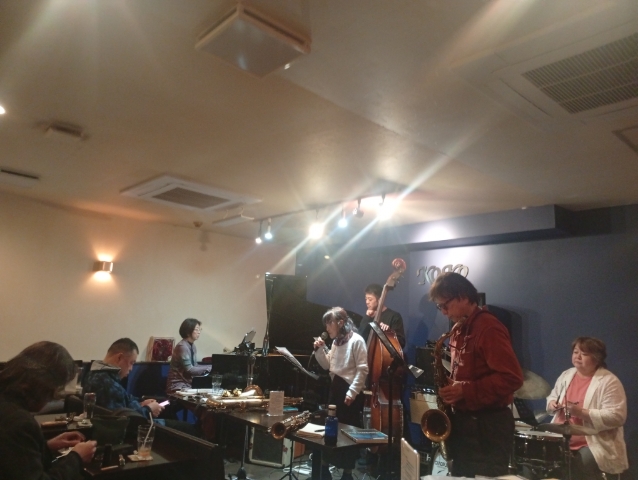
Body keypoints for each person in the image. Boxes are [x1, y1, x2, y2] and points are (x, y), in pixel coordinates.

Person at [429, 272, 523, 477]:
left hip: (487, 427)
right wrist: (452, 385)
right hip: (466, 423)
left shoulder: (488, 328)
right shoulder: (459, 329)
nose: (443, 312)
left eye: (445, 305)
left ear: (463, 297)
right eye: (440, 307)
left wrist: (465, 390)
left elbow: (512, 378)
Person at [0, 341, 96, 479]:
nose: (52, 398)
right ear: (45, 385)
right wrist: (77, 458)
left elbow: (14, 458)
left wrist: (47, 447)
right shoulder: (18, 422)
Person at [546, 337, 628, 479]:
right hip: (561, 438)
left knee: (583, 462)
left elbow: (617, 417)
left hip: (592, 442)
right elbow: (552, 397)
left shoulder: (609, 381)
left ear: (597, 358)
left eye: (584, 354)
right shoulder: (566, 375)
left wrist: (581, 413)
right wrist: (552, 403)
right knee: (538, 456)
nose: (578, 356)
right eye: (575, 352)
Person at [314, 307, 369, 480]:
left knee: (347, 432)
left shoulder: (357, 340)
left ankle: (347, 473)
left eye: (329, 323)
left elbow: (362, 370)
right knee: (331, 431)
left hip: (349, 392)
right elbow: (327, 365)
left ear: (340, 322)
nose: (327, 328)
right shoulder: (336, 342)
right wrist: (319, 350)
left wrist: (352, 392)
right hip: (336, 390)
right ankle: (324, 469)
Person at [83, 338, 163, 419]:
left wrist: (141, 402)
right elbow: (124, 420)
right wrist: (149, 410)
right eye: (131, 363)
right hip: (134, 425)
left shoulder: (93, 375)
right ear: (119, 358)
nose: (131, 369)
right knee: (171, 424)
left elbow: (125, 400)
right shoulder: (108, 385)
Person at [166, 318, 210, 393]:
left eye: (200, 329)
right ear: (188, 332)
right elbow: (190, 370)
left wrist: (210, 367)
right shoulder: (182, 346)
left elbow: (195, 366)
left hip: (187, 385)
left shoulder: (192, 346)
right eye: (196, 329)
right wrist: (209, 368)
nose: (199, 332)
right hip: (177, 386)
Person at [358, 283, 406, 348]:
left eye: (370, 299)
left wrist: (388, 333)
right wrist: (366, 318)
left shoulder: (394, 316)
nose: (367, 302)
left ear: (380, 300)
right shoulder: (368, 317)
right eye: (366, 299)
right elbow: (359, 339)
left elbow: (401, 343)